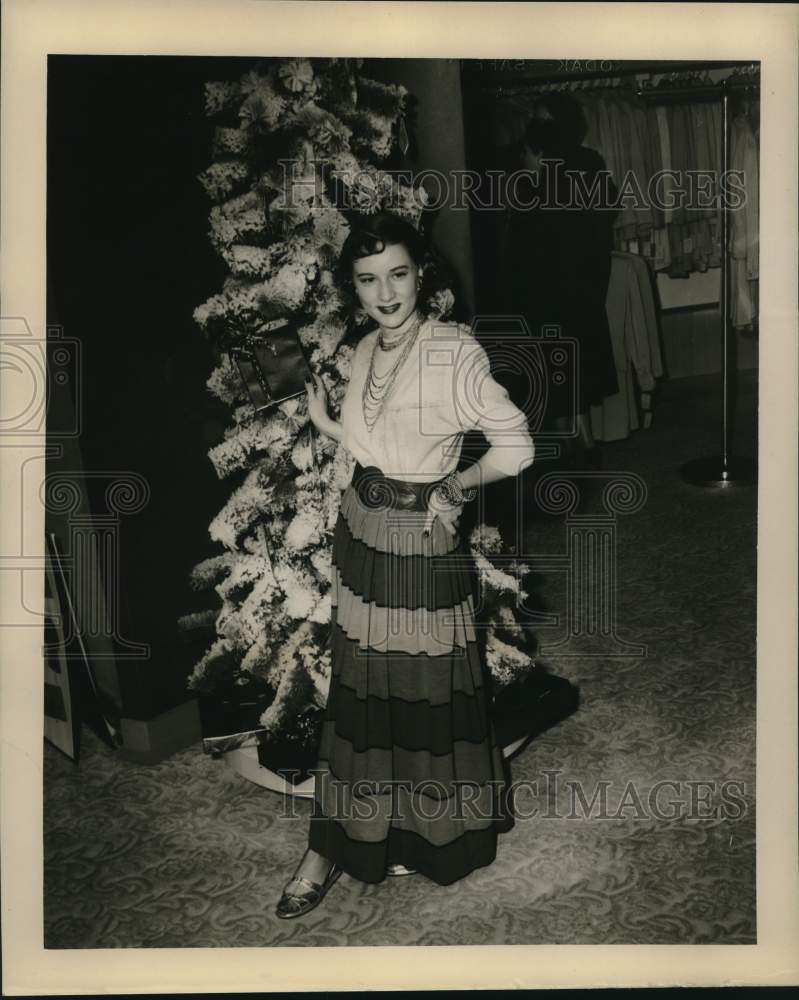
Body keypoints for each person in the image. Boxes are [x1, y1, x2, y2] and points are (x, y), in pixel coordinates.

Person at [275, 211, 535, 918]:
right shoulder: (364, 348)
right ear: (353, 288)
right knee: (361, 697)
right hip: (362, 533)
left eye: (397, 274)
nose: (385, 293)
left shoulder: (453, 350)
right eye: (368, 280)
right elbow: (373, 447)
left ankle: (433, 836)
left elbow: (516, 447)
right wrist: (329, 423)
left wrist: (457, 486)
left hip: (420, 541)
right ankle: (331, 845)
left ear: (422, 274)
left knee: (422, 695)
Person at [505, 93, 620, 463]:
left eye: (544, 120)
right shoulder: (585, 160)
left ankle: (572, 444)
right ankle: (581, 440)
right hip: (569, 279)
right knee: (570, 360)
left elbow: (533, 223)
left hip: (558, 279)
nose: (536, 127)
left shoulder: (551, 161)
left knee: (559, 359)